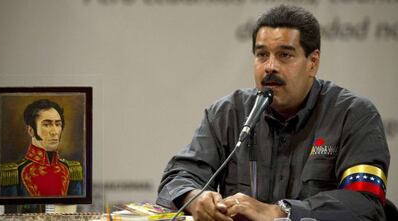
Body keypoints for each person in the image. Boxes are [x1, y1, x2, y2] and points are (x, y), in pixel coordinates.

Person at [157, 5, 390, 221]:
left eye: (284, 55)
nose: (270, 66)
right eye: (262, 55)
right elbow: (178, 176)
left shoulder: (353, 114)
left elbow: (366, 202)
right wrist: (194, 197)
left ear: (313, 62)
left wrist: (279, 211)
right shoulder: (228, 113)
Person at [0, 99, 83, 197]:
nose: (54, 132)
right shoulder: (14, 173)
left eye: (58, 124)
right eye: (46, 125)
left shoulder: (71, 170)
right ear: (31, 130)